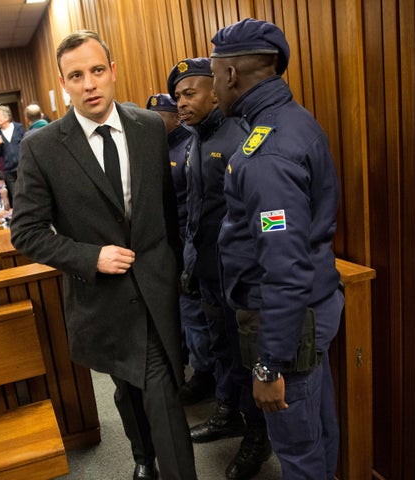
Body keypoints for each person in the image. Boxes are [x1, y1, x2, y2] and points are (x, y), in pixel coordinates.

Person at [11, 30, 196, 480]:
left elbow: (167, 213)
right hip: (102, 296)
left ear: (112, 72)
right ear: (63, 84)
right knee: (128, 384)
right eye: (77, 76)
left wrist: (174, 271)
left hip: (154, 286)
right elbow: (26, 232)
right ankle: (140, 454)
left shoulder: (150, 127)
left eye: (97, 71)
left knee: (162, 389)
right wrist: (90, 256)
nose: (89, 83)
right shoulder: (42, 147)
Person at [210, 18, 344, 480]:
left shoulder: (265, 153)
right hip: (308, 312)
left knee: (299, 451)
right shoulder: (292, 119)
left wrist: (268, 366)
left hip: (285, 322)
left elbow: (284, 269)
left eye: (213, 74)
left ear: (230, 75)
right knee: (319, 433)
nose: (212, 89)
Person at [168, 57, 270, 477]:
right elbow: (195, 213)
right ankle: (227, 412)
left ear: (215, 92)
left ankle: (258, 438)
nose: (181, 103)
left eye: (189, 93)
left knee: (248, 360)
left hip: (238, 276)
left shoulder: (239, 138)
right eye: (177, 96)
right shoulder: (193, 139)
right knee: (221, 351)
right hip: (207, 273)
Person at [146, 93, 215, 405]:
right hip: (164, 245)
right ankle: (186, 365)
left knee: (193, 314)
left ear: (175, 117)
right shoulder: (152, 148)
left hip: (189, 242)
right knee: (177, 313)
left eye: (159, 117)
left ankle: (204, 376)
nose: (153, 124)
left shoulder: (189, 145)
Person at [0, 105, 24, 206]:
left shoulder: (19, 128)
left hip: (23, 167)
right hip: (9, 171)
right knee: (16, 197)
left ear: (6, 117)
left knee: (27, 193)